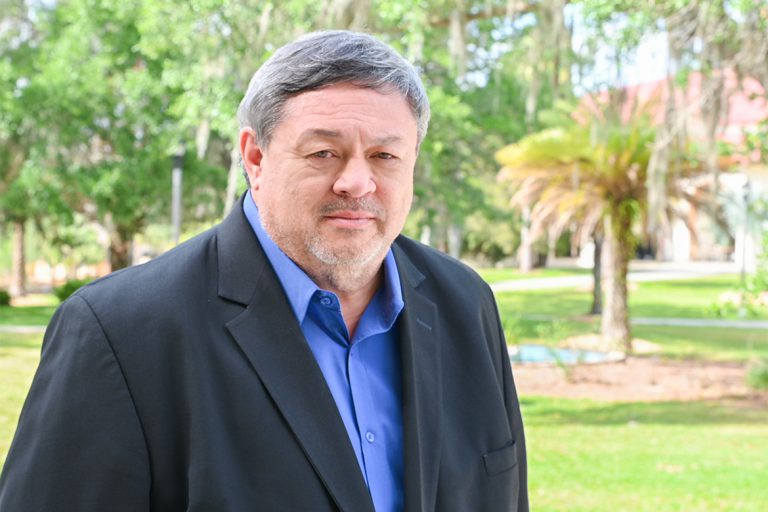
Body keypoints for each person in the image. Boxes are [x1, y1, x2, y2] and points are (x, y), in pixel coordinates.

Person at [0, 30, 527, 511]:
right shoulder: (119, 331)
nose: (357, 182)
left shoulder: (467, 302)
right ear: (255, 157)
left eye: (385, 156)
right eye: (324, 152)